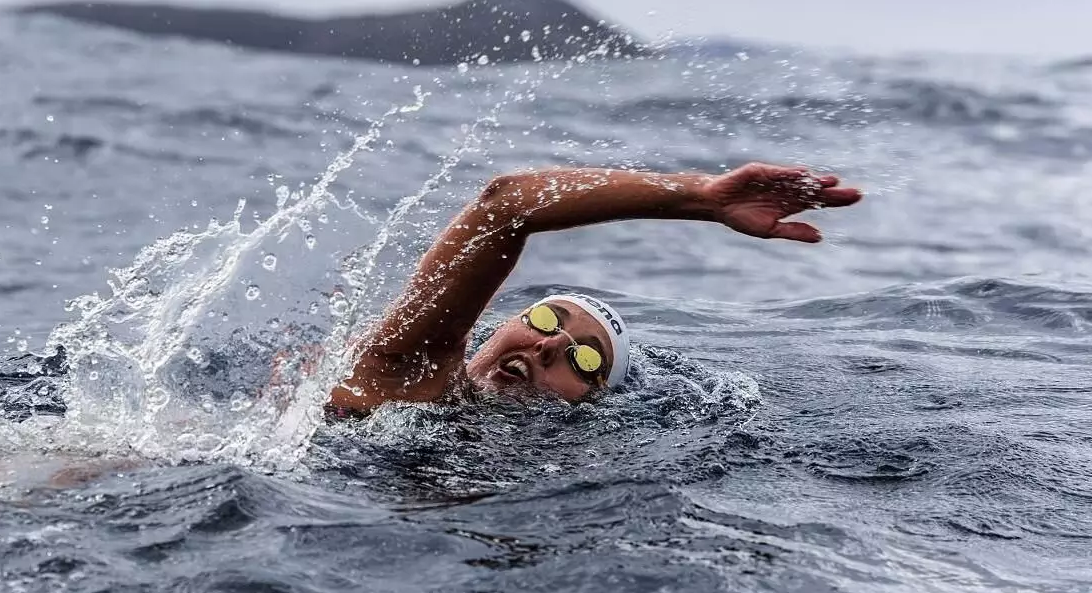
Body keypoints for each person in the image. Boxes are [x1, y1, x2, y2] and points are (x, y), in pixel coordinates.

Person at [327, 163, 862, 416]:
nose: (552, 344)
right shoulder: (406, 371)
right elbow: (507, 205)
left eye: (585, 360)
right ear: (495, 331)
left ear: (593, 403)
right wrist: (701, 198)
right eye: (544, 319)